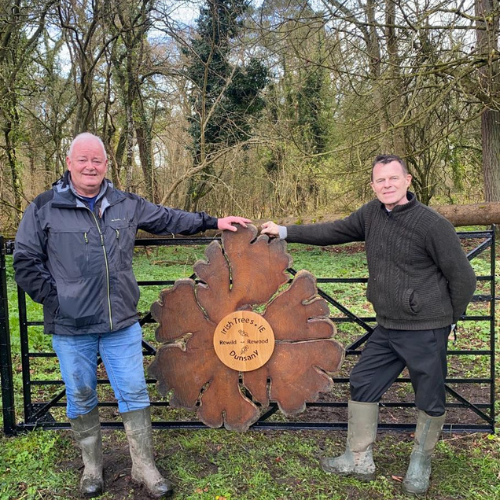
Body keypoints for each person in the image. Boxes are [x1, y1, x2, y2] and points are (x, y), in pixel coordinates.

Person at [13, 132, 251, 499]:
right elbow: (25, 262)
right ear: (69, 163)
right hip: (70, 326)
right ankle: (92, 466)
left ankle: (144, 466)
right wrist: (57, 301)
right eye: (83, 160)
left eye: (97, 160)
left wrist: (213, 221)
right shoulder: (44, 206)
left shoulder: (125, 203)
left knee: (134, 391)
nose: (90, 166)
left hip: (119, 322)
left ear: (107, 165)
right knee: (79, 394)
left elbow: (170, 218)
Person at [261, 154, 476, 495]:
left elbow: (463, 277)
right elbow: (332, 231)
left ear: (407, 181)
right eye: (380, 180)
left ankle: (420, 463)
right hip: (389, 327)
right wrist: (284, 231)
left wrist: (451, 319)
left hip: (425, 328)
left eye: (393, 178)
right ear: (373, 185)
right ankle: (358, 458)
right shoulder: (370, 214)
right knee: (363, 382)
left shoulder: (432, 225)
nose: (387, 185)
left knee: (429, 395)